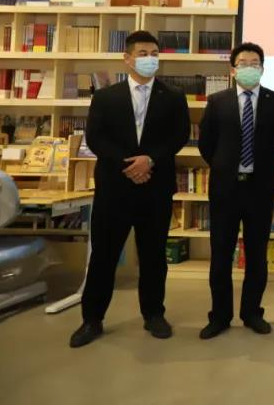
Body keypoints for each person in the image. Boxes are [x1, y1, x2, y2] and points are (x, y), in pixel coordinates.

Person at [70, 31, 190, 348]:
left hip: (155, 187)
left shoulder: (173, 96)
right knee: (104, 256)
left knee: (154, 256)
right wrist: (130, 164)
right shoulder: (105, 97)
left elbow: (179, 135)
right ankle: (92, 319)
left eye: (154, 53)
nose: (150, 59)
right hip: (114, 188)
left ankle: (154, 314)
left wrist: (149, 159)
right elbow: (96, 138)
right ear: (127, 58)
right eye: (142, 53)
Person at [198, 43, 274, 339]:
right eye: (243, 63)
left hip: (259, 189)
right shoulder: (217, 101)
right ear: (233, 69)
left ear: (262, 68)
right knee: (221, 254)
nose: (249, 68)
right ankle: (219, 316)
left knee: (257, 254)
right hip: (225, 189)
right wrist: (225, 166)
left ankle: (252, 313)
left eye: (254, 63)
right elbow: (206, 144)